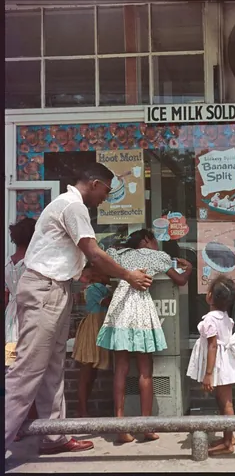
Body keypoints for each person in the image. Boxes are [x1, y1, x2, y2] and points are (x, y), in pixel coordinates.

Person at [5, 163, 153, 454]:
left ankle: (54, 436)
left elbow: (81, 261)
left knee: (52, 368)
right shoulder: (73, 206)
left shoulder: (66, 205)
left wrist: (94, 275)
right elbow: (93, 252)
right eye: (107, 191)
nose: (106, 198)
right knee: (27, 370)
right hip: (45, 289)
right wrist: (129, 275)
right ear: (94, 183)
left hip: (54, 288)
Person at [96, 229, 193, 444]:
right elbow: (180, 280)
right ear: (147, 240)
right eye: (155, 240)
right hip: (140, 308)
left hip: (120, 307)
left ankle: (120, 426)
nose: (158, 245)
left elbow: (102, 262)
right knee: (145, 369)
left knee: (120, 366)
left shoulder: (119, 255)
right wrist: (189, 268)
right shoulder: (157, 257)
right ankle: (147, 426)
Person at [187, 275, 235, 456]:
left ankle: (228, 443)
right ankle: (229, 436)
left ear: (210, 296)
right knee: (223, 402)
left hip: (218, 366)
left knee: (226, 403)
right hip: (225, 363)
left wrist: (208, 374)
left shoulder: (210, 320)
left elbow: (212, 346)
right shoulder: (224, 317)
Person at [5, 217, 38, 441]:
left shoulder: (7, 263)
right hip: (29, 318)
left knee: (12, 368)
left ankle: (14, 425)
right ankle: (29, 421)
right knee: (32, 371)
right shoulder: (34, 263)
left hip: (10, 322)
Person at [72, 269, 112, 418]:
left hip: (99, 327)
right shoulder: (94, 289)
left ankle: (83, 408)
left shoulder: (101, 288)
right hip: (93, 329)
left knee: (91, 373)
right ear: (97, 275)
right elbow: (108, 303)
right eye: (108, 273)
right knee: (87, 371)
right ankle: (81, 409)